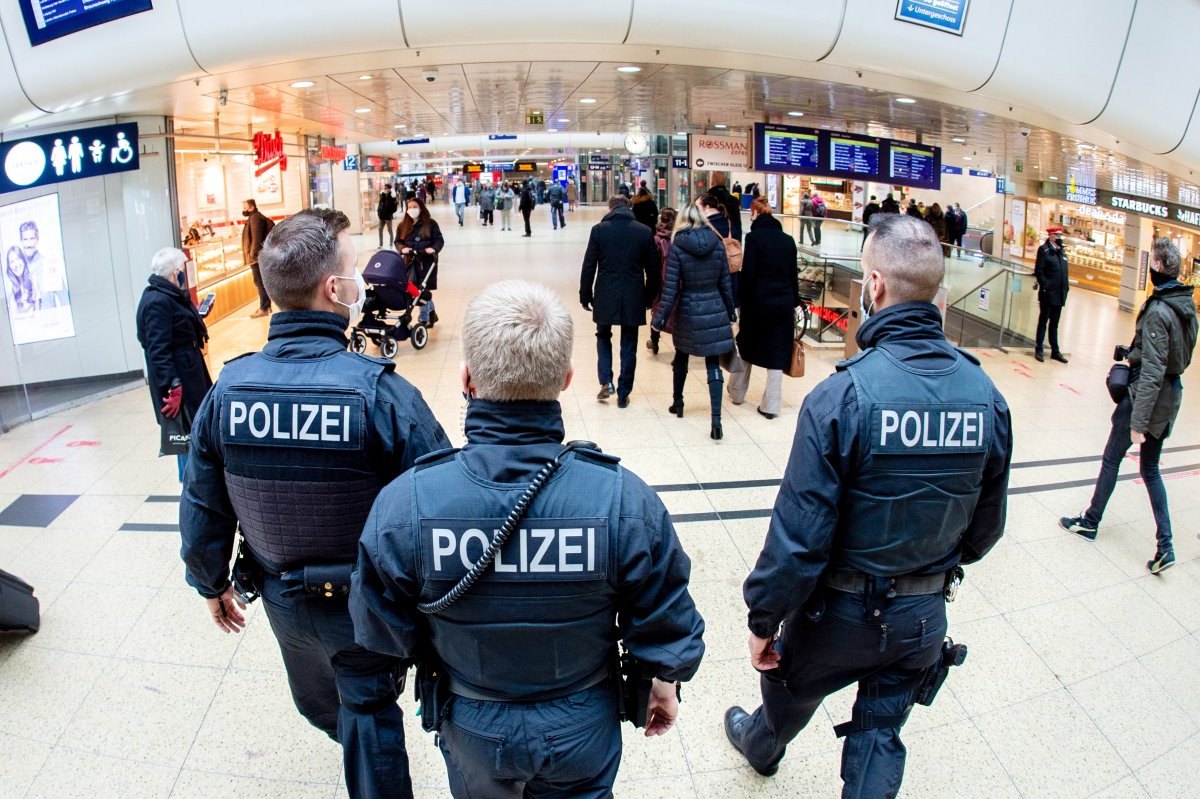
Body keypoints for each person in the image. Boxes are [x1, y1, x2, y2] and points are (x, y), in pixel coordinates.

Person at [350, 279, 705, 799]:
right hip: (583, 717)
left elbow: (381, 631)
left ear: (467, 377)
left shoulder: (407, 504)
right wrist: (664, 680)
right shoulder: (624, 500)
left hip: (472, 719)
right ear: (566, 378)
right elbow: (668, 621)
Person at [723, 213, 1012, 795]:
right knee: (881, 733)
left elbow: (799, 538)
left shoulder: (843, 396)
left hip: (839, 616)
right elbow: (985, 530)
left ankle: (762, 746)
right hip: (923, 616)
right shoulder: (987, 397)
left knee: (788, 693)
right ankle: (768, 742)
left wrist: (764, 619)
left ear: (874, 286)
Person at [179, 209, 449, 799]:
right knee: (365, 703)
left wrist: (209, 582)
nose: (358, 283)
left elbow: (204, 501)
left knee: (328, 703)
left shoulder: (229, 391)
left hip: (282, 600)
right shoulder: (381, 393)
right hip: (366, 605)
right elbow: (441, 503)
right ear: (333, 289)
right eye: (352, 271)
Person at [1060, 238, 1197, 574]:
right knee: (1150, 470)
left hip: (1144, 400)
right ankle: (1166, 545)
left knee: (1111, 459)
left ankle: (1090, 522)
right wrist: (1132, 352)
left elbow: (1151, 373)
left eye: (1152, 262)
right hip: (1171, 399)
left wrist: (1138, 422)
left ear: (1159, 267)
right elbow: (1174, 358)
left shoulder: (1158, 310)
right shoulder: (1186, 305)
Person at [652, 203, 736, 440]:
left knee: (681, 356)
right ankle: (716, 420)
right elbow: (725, 284)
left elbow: (671, 289)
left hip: (688, 309)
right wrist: (730, 311)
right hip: (715, 307)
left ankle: (678, 402)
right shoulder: (717, 244)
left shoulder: (678, 247)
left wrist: (659, 320)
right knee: (713, 363)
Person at [136, 247, 213, 482]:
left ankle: (197, 480)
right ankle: (190, 484)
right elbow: (157, 351)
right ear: (177, 271)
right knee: (185, 432)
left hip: (189, 371)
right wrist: (173, 386)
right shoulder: (157, 301)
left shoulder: (169, 294)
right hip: (181, 380)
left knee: (194, 428)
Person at [580, 195, 660, 408]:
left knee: (603, 334)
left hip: (606, 291)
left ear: (610, 208)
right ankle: (624, 392)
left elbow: (589, 265)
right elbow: (653, 270)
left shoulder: (599, 230)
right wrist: (649, 296)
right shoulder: (644, 232)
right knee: (629, 341)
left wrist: (585, 294)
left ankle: (606, 381)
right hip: (633, 292)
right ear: (629, 207)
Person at [727, 198, 799, 419]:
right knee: (777, 354)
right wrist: (794, 302)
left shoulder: (753, 238)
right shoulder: (789, 241)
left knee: (747, 347)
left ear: (756, 214)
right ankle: (771, 406)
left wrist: (741, 302)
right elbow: (792, 275)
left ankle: (737, 393)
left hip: (757, 304)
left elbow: (749, 275)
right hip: (783, 305)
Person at [397, 197, 445, 328]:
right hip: (410, 262)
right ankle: (431, 314)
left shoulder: (431, 224)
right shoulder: (403, 225)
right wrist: (402, 249)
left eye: (415, 207)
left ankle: (423, 319)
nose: (412, 210)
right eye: (409, 207)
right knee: (416, 290)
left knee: (421, 290)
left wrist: (433, 249)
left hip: (426, 262)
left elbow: (439, 240)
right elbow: (398, 241)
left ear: (421, 208)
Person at [1033, 225, 1070, 363]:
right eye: (1056, 235)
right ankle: (1039, 348)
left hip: (1060, 294)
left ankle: (1055, 351)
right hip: (1048, 293)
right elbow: (1039, 270)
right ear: (1050, 235)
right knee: (1043, 321)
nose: (1059, 238)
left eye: (1060, 235)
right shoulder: (1044, 250)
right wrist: (1045, 286)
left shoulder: (1062, 251)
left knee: (1054, 323)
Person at [646, 206, 677, 356]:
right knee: (677, 313)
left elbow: (652, 265)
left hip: (660, 283)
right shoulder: (679, 238)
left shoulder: (656, 239)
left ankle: (655, 341)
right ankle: (679, 349)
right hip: (677, 281)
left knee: (657, 311)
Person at [242, 199, 275, 318]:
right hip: (258, 256)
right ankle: (266, 305)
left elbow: (256, 238)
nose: (243, 210)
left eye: (245, 207)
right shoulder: (254, 217)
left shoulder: (255, 218)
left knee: (259, 281)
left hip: (257, 257)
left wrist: (253, 255)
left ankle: (264, 307)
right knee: (260, 281)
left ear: (251, 207)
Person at [708, 172, 743, 240]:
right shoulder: (733, 200)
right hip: (730, 238)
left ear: (712, 182)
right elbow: (737, 224)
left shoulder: (707, 198)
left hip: (711, 238)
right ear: (725, 182)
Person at [4, 245, 37, 312]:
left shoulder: (33, 281)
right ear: (9, 266)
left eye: (17, 259)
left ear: (23, 260)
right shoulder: (9, 290)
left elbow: (39, 312)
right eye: (12, 262)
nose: (15, 265)